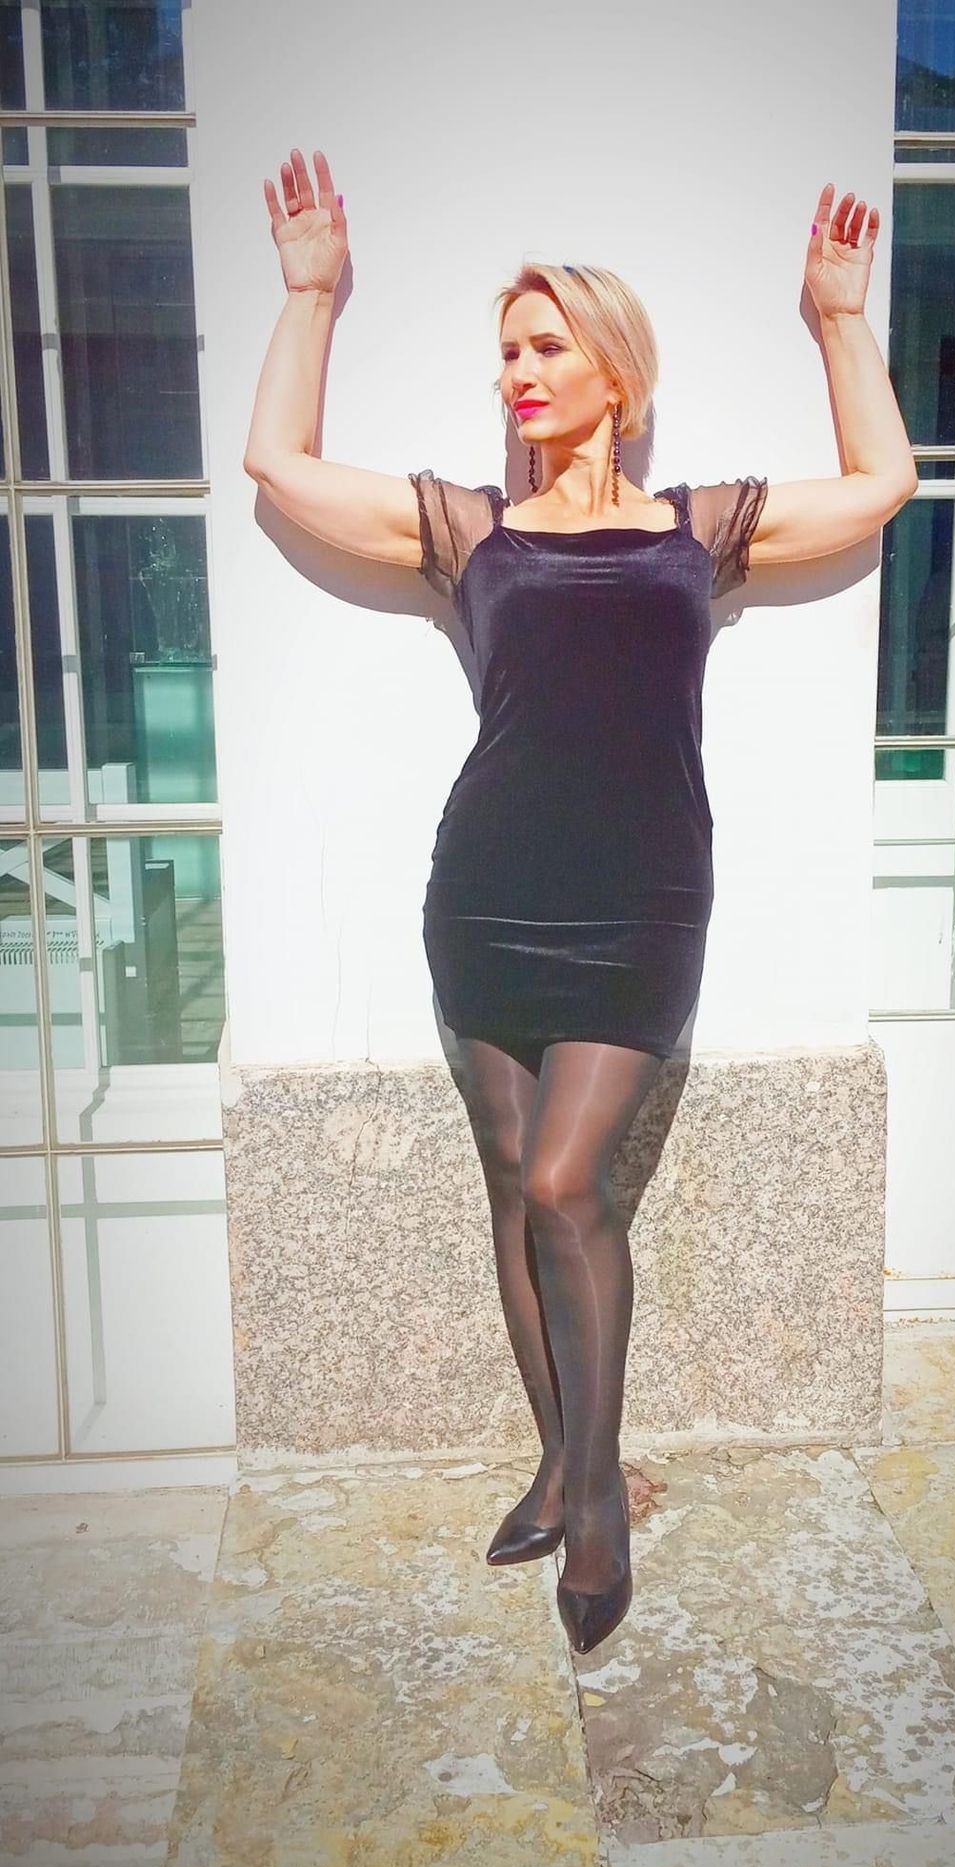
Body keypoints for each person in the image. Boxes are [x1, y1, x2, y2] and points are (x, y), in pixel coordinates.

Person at [244, 148, 918, 1655]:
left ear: (617, 368)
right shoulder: (471, 529)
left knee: (565, 1184)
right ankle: (559, 1462)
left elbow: (884, 486)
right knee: (510, 1179)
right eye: (507, 353)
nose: (520, 375)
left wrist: (837, 322)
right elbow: (278, 463)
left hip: (643, 900)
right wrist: (312, 295)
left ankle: (598, 1493)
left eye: (547, 346)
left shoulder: (699, 528)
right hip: (484, 893)